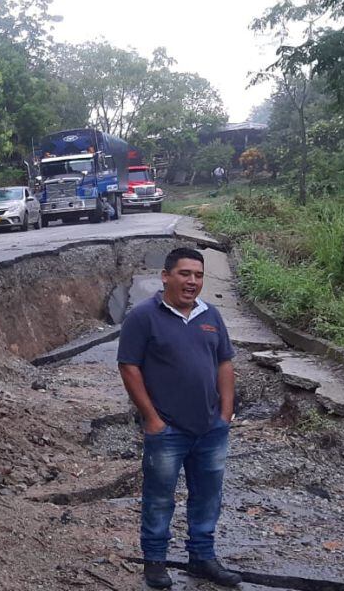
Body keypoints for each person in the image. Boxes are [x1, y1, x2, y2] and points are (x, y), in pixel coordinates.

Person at [117, 248, 242, 589]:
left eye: (198, 275)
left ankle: (202, 557)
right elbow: (129, 366)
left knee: (207, 496)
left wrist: (225, 414)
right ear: (166, 276)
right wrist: (152, 419)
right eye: (185, 274)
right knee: (159, 498)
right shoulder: (144, 317)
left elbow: (224, 363)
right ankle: (155, 562)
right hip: (167, 430)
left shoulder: (210, 315)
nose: (192, 282)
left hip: (210, 429)